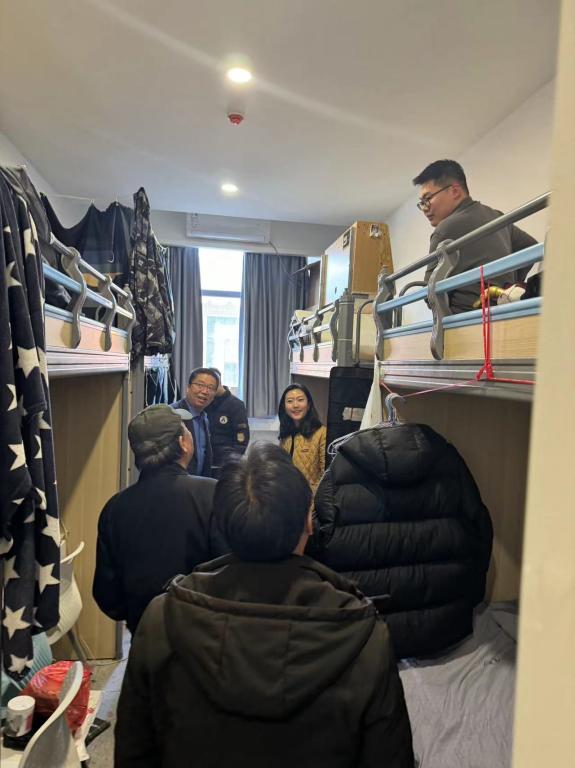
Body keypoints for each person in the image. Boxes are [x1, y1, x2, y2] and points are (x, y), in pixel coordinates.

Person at [115, 444, 414, 768]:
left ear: (222, 524)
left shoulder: (162, 618)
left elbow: (134, 749)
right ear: (309, 521)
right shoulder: (364, 635)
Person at [93, 404, 226, 635]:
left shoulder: (115, 508)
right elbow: (230, 574)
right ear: (183, 443)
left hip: (144, 636)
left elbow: (108, 596)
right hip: (205, 636)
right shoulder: (213, 494)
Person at [413, 159, 537, 313]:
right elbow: (531, 247)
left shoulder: (444, 229)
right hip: (506, 311)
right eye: (421, 203)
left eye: (427, 199)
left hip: (468, 319)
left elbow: (429, 295)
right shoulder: (497, 217)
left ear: (454, 191)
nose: (425, 208)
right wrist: (508, 285)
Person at [278, 383, 326, 496]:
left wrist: (310, 500)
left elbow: (326, 476)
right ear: (284, 407)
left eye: (300, 400)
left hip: (310, 500)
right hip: (286, 497)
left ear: (308, 405)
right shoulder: (285, 434)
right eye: (290, 401)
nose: (295, 405)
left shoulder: (322, 433)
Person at [171, 367, 219, 477]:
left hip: (198, 482)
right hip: (176, 481)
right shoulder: (172, 414)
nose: (205, 391)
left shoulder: (204, 418)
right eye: (200, 385)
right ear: (188, 387)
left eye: (210, 388)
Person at [205, 367, 250, 477]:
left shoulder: (236, 405)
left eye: (211, 386)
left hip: (226, 463)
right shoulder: (205, 402)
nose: (206, 390)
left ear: (219, 382)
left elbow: (241, 441)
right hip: (205, 460)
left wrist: (231, 463)